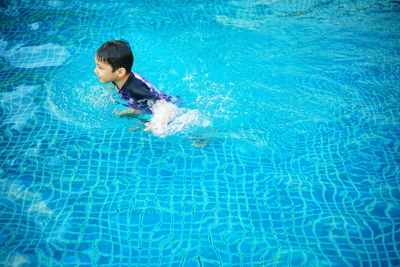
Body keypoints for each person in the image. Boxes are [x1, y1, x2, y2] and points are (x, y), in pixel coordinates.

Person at [94, 39, 177, 134]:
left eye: (100, 68)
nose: (95, 71)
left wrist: (158, 122)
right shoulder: (118, 77)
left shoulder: (135, 89)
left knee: (165, 128)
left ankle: (196, 137)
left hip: (169, 107)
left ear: (120, 72)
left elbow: (161, 104)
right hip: (144, 103)